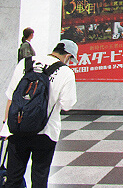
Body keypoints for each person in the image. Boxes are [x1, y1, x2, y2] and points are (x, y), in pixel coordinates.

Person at [1, 39, 78, 188]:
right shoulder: (66, 72)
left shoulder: (25, 63)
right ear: (68, 56)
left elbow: (11, 96)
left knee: (13, 178)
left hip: (18, 128)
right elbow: (67, 105)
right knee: (39, 177)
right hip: (45, 132)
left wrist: (6, 126)